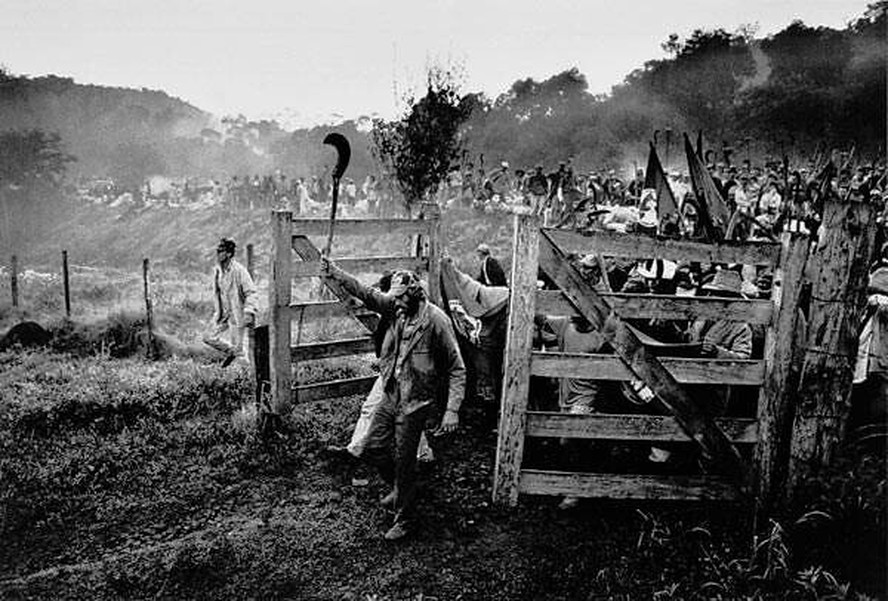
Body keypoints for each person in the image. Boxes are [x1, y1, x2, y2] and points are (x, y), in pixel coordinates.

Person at [321, 262, 466, 541]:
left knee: (405, 460)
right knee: (374, 447)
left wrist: (452, 410)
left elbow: (457, 368)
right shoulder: (397, 307)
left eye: (400, 297)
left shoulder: (436, 321)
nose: (395, 302)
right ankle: (401, 488)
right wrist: (336, 272)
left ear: (415, 294)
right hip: (391, 393)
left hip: (416, 400)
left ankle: (405, 519)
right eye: (393, 297)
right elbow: (366, 293)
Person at [203, 238, 258, 367]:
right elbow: (217, 292)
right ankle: (233, 351)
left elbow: (251, 292)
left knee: (240, 352)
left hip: (237, 313)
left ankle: (246, 371)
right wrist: (218, 311)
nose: (218, 254)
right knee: (207, 336)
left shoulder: (239, 270)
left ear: (229, 254)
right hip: (223, 313)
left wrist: (249, 311)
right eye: (217, 251)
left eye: (221, 251)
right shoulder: (218, 271)